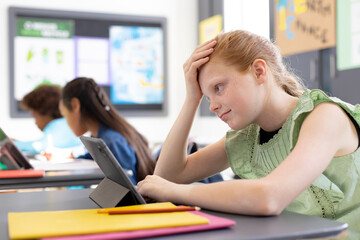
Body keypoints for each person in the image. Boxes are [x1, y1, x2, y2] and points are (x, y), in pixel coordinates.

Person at [137, 30, 360, 238]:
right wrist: (190, 100)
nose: (212, 106)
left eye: (219, 88)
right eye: (206, 97)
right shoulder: (248, 137)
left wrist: (177, 192)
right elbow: (166, 177)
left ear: (259, 72)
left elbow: (269, 198)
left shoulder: (325, 117)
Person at [59, 77, 156, 185]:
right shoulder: (101, 137)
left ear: (75, 105)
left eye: (64, 115)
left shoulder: (112, 142)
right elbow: (90, 160)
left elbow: (128, 189)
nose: (66, 121)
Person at [14, 85, 82, 155]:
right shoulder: (68, 124)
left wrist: (13, 144)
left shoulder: (55, 126)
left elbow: (38, 146)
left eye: (35, 116)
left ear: (44, 112)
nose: (35, 122)